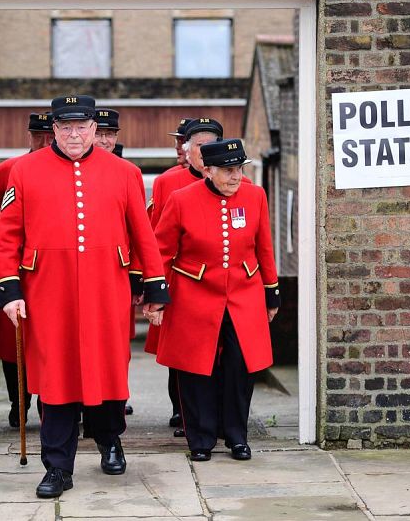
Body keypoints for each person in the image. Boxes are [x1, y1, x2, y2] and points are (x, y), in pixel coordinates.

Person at [0, 95, 170, 499]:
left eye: (82, 126)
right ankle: (57, 466)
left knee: (106, 371)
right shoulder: (23, 171)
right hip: (47, 292)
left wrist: (155, 285)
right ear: (53, 130)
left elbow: (143, 233)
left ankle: (110, 441)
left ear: (95, 129)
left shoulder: (124, 172)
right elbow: (8, 237)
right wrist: (9, 289)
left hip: (106, 289)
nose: (74, 134)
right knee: (55, 378)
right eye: (65, 127)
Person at [152, 138, 280, 462]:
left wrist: (271, 291)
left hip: (244, 294)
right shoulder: (181, 200)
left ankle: (237, 436)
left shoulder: (255, 196)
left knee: (240, 367)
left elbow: (264, 247)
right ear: (207, 170)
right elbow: (162, 250)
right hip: (195, 294)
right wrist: (156, 295)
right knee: (197, 369)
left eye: (239, 169)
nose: (235, 176)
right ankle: (201, 438)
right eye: (227, 170)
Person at [144, 118, 224, 433]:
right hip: (181, 279)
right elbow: (158, 236)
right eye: (196, 145)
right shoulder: (167, 182)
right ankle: (183, 411)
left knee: (219, 353)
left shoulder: (235, 182)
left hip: (219, 281)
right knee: (181, 353)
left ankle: (215, 414)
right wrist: (154, 284)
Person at [0, 111, 53, 428]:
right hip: (14, 267)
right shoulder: (10, 168)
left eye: (50, 136)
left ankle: (52, 406)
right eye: (39, 136)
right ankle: (18, 402)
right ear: (30, 136)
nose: (45, 142)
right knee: (13, 343)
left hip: (50, 270)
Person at [93, 107, 139, 416]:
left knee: (114, 351)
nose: (105, 140)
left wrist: (139, 278)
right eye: (101, 133)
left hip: (114, 275)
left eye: (111, 135)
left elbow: (138, 231)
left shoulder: (126, 172)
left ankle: (110, 415)